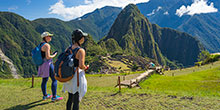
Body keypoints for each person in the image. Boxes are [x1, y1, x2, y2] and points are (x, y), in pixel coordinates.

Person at [62, 29, 89, 110]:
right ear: (80, 38)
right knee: (76, 100)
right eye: (83, 37)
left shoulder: (68, 48)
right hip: (76, 76)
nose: (84, 39)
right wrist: (86, 67)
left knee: (70, 97)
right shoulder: (81, 50)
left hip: (68, 75)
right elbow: (81, 66)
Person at [37, 32, 63, 101]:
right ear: (45, 37)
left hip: (42, 64)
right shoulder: (47, 45)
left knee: (44, 80)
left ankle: (45, 95)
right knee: (54, 79)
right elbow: (48, 57)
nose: (50, 37)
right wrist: (54, 55)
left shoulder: (40, 45)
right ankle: (54, 97)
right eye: (49, 36)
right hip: (48, 64)